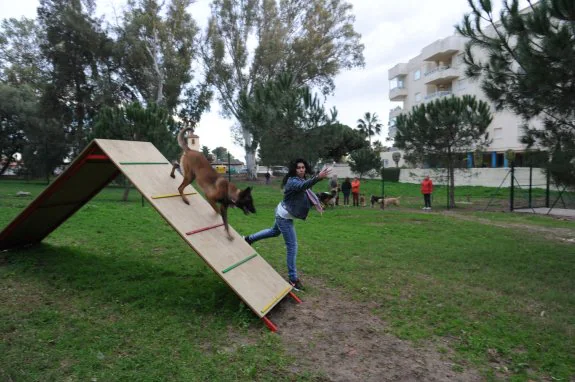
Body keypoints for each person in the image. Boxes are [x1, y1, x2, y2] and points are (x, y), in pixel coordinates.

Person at [244, 159, 331, 290]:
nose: (301, 169)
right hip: (284, 216)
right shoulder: (293, 181)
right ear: (294, 170)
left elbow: (306, 191)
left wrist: (317, 202)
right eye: (298, 168)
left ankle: (248, 239)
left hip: (283, 212)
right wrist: (318, 177)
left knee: (274, 232)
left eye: (303, 167)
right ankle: (293, 279)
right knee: (292, 246)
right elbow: (303, 187)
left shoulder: (301, 180)